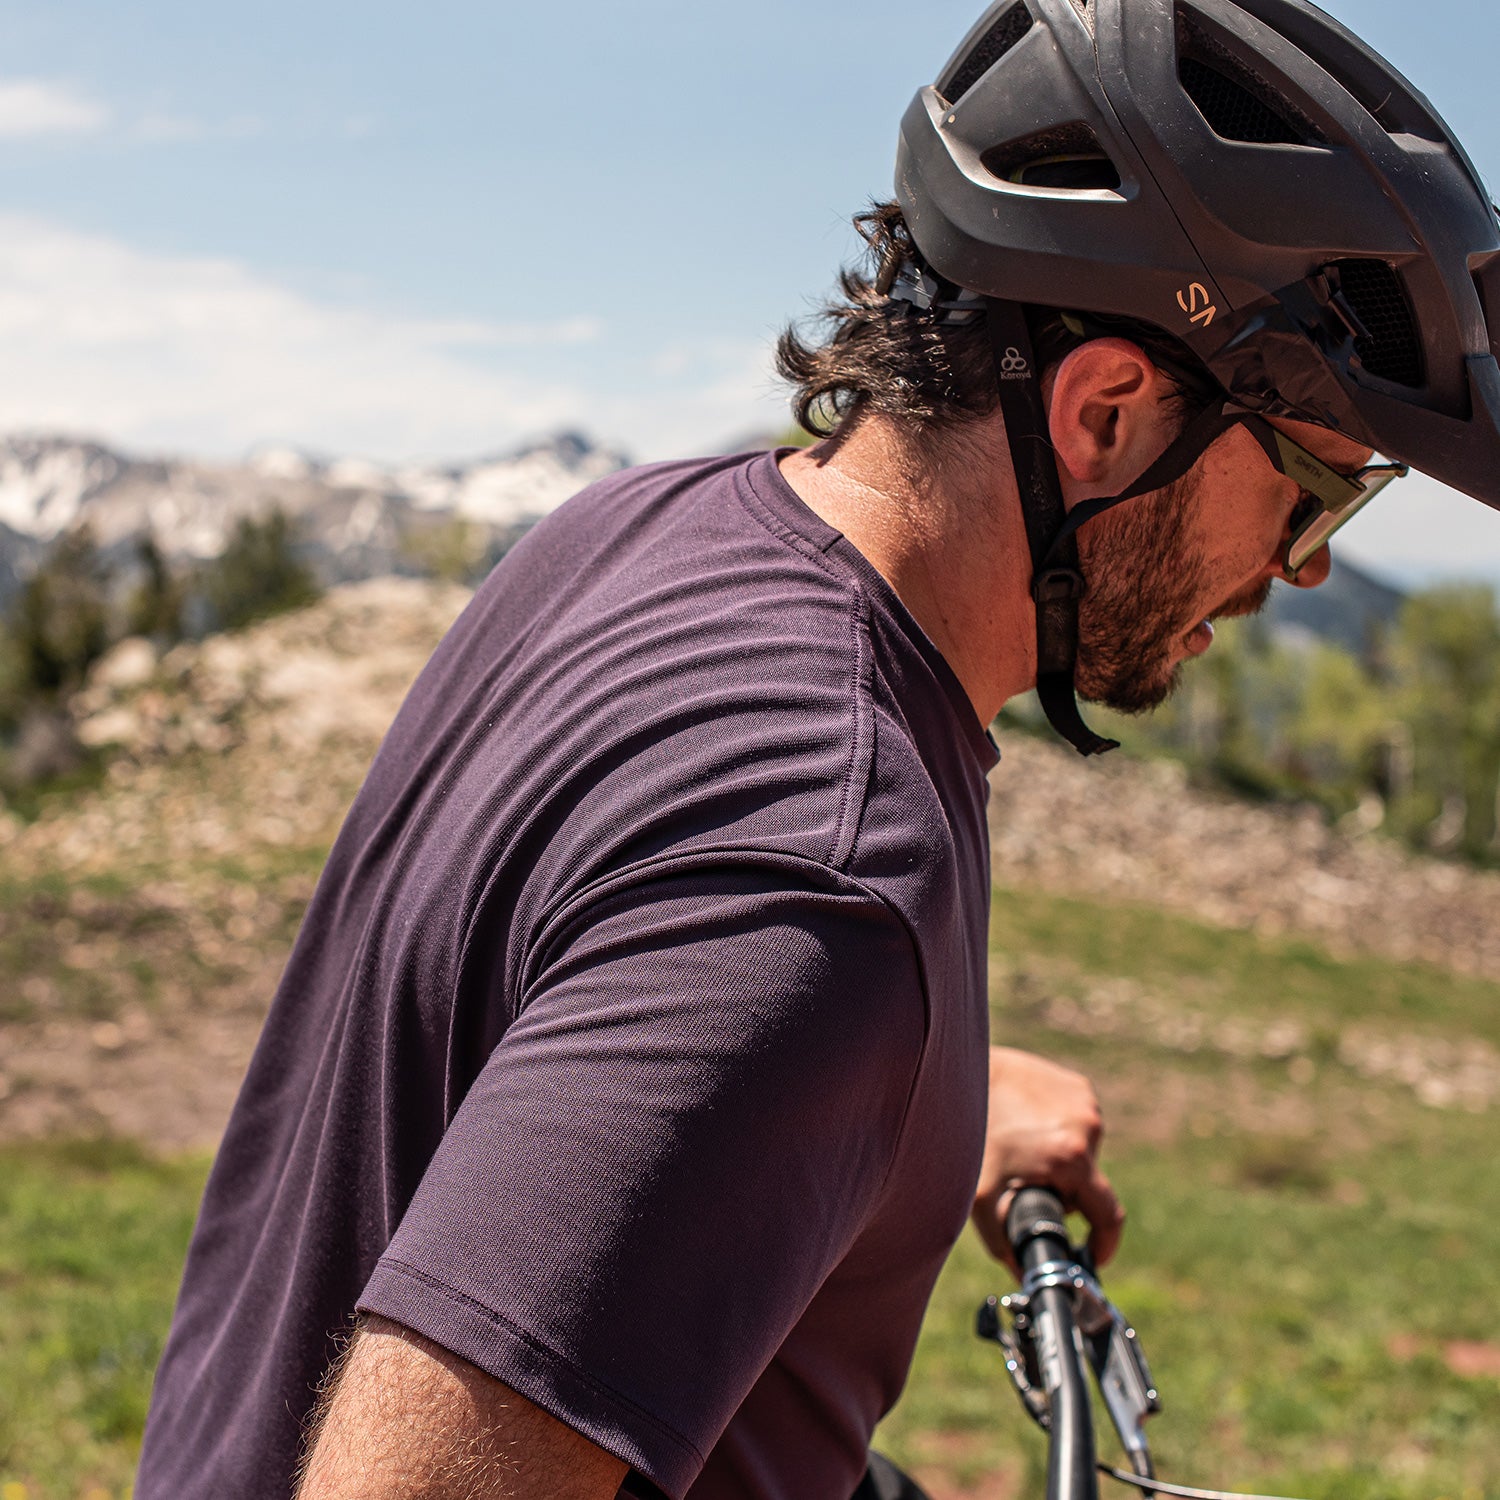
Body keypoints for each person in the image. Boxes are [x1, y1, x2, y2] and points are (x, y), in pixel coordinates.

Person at [136, 2, 1500, 1497]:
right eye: (1319, 486)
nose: (1310, 562)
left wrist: (907, 1106)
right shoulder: (820, 878)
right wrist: (811, 1016)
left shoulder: (639, 529)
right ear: (1108, 413)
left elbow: (594, 973)